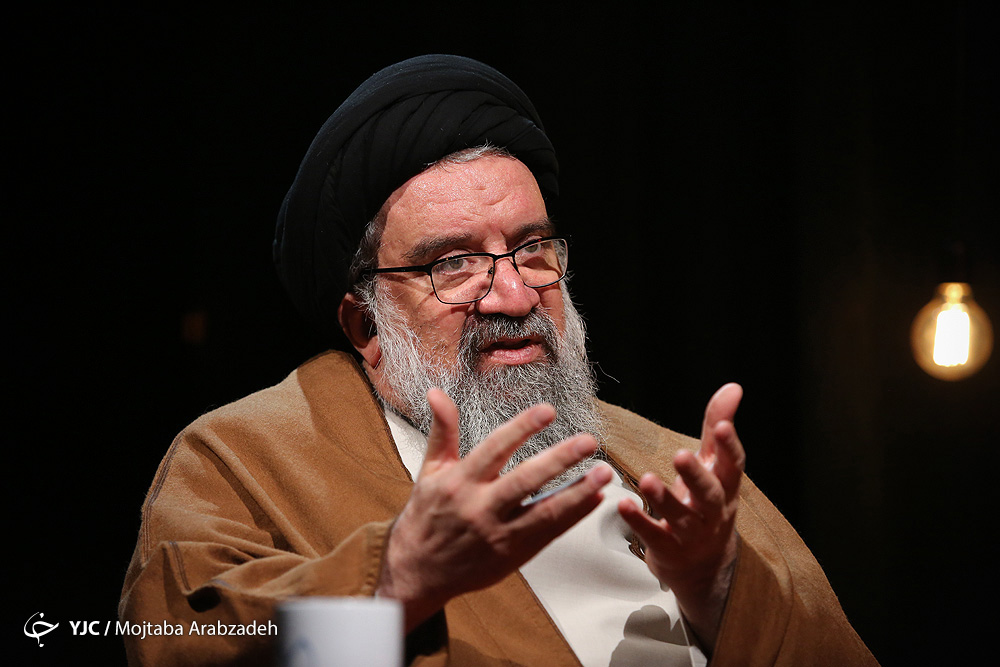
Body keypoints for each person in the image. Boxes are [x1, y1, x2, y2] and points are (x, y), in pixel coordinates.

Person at [119, 55, 878, 666]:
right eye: (452, 264)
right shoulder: (246, 459)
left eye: (533, 248)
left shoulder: (665, 467)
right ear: (365, 322)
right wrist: (397, 582)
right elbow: (179, 647)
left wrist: (715, 587)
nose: (513, 295)